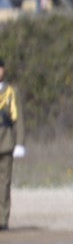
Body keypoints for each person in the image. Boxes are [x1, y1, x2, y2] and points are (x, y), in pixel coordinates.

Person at [0, 57, 23, 230]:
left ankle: (2, 219)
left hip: (5, 142)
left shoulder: (10, 92)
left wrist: (20, 143)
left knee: (5, 183)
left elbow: (18, 120)